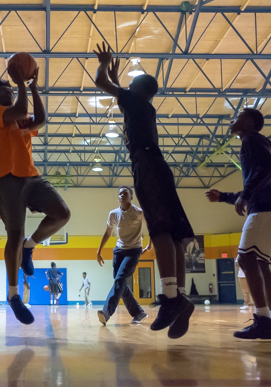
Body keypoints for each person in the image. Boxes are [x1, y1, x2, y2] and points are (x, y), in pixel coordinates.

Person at [94, 42, 195, 339]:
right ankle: (178, 298)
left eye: (127, 86)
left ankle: (172, 300)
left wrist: (104, 64)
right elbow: (117, 93)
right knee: (173, 234)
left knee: (161, 230)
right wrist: (116, 80)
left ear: (136, 90)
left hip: (147, 166)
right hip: (157, 164)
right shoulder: (142, 107)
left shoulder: (136, 103)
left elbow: (101, 83)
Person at [0, 65, 71, 324]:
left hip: (30, 175)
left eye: (10, 89)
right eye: (4, 90)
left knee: (62, 213)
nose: (9, 91)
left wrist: (32, 88)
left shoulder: (20, 117)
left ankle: (29, 247)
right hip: (4, 178)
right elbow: (20, 110)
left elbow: (40, 120)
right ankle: (13, 295)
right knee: (14, 232)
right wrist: (21, 82)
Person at [206, 108, 271, 340]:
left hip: (266, 206)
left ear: (250, 122)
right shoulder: (258, 143)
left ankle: (263, 321)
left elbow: (266, 169)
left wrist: (245, 195)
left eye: (239, 116)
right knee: (261, 264)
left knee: (245, 258)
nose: (233, 119)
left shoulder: (251, 140)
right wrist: (225, 196)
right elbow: (259, 180)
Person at [96, 187, 149, 325]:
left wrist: (150, 244)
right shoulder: (113, 214)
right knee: (120, 282)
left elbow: (151, 226)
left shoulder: (138, 212)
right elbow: (108, 233)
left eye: (125, 193)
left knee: (119, 279)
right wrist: (99, 251)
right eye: (120, 193)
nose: (122, 195)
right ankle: (138, 312)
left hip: (133, 251)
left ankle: (107, 312)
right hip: (119, 251)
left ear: (131, 197)